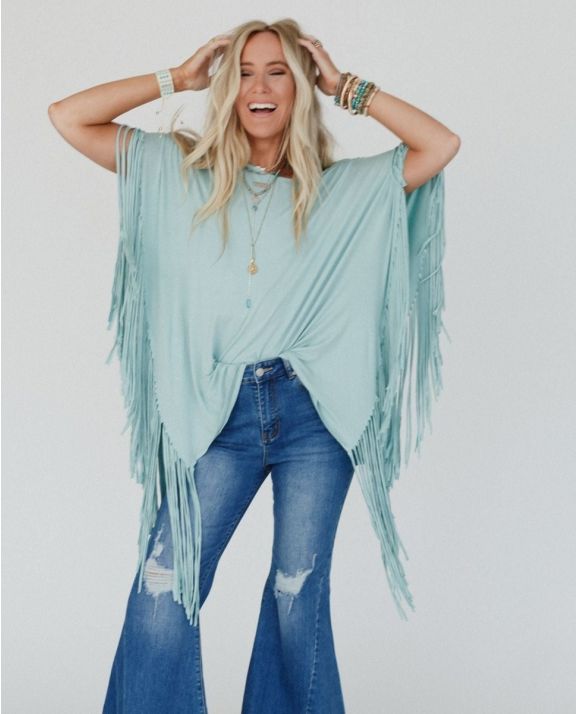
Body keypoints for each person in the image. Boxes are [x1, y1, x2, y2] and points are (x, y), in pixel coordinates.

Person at [48, 17, 460, 714]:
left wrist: (345, 86)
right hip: (218, 412)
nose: (259, 87)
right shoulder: (175, 171)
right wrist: (178, 78)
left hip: (313, 415)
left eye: (277, 72)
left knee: (297, 596)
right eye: (243, 72)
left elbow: (439, 145)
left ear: (299, 88)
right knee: (163, 587)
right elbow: (67, 116)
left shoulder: (343, 191)